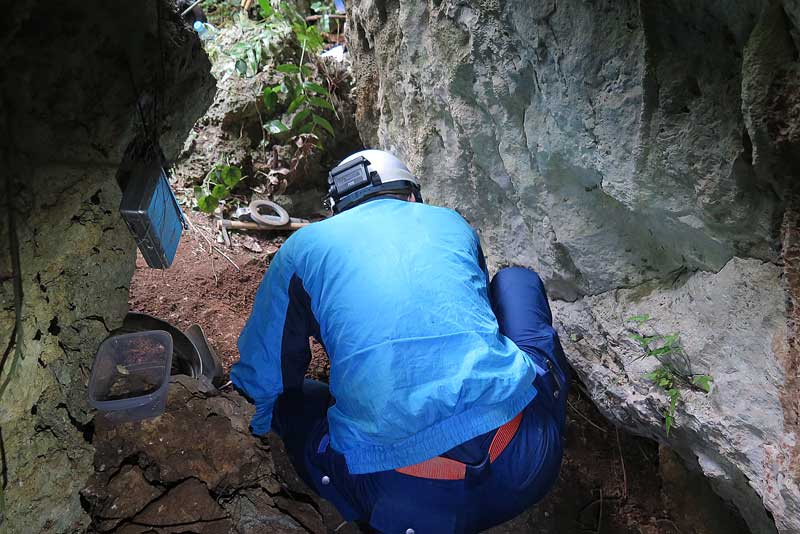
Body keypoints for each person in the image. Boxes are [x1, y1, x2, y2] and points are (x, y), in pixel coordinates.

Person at [231, 149, 570, 533]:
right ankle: (547, 415)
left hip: (402, 503)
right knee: (516, 283)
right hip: (527, 464)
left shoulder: (303, 248)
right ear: (411, 195)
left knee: (298, 400)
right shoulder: (451, 223)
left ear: (338, 211)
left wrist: (258, 423)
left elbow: (263, 376)